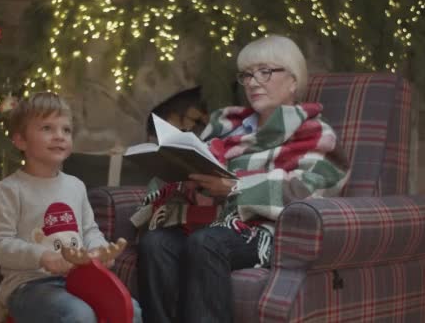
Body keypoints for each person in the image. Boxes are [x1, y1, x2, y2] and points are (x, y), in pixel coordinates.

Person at [134, 34, 350, 323]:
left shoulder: (314, 132)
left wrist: (236, 187)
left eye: (265, 71)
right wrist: (184, 175)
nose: (252, 82)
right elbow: (198, 163)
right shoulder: (225, 125)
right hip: (208, 220)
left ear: (293, 81)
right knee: (156, 243)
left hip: (262, 232)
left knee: (207, 241)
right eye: (247, 74)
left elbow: (309, 190)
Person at [0, 91, 142, 323]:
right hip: (29, 286)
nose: (59, 136)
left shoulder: (75, 186)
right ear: (20, 140)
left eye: (66, 130)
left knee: (131, 309)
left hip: (80, 280)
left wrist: (99, 250)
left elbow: (89, 231)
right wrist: (43, 256)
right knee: (78, 315)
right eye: (47, 128)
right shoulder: (9, 190)